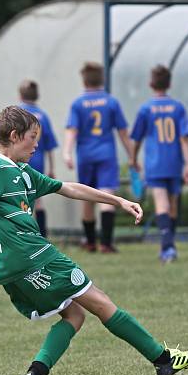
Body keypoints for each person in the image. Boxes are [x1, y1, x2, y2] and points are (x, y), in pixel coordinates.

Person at [0, 106, 188, 375]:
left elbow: (67, 188)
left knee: (74, 314)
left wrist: (117, 200)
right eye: (32, 138)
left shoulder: (20, 171)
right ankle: (163, 360)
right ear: (14, 136)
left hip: (10, 265)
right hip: (33, 255)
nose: (36, 145)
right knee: (100, 301)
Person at [63, 62, 135, 253]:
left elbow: (72, 130)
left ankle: (90, 241)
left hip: (85, 156)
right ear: (101, 79)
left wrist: (67, 152)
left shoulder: (78, 104)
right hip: (106, 155)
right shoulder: (111, 102)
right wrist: (132, 156)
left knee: (86, 197)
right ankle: (106, 243)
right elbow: (123, 132)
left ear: (84, 80)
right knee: (108, 195)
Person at [129, 64, 188, 263]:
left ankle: (167, 247)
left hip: (155, 164)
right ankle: (169, 245)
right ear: (169, 84)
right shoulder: (178, 107)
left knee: (161, 204)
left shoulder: (146, 109)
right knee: (172, 206)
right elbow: (184, 139)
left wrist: (133, 159)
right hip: (174, 163)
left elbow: (137, 138)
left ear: (151, 84)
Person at [18, 79, 58, 237]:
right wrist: (52, 168)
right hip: (38, 161)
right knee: (38, 199)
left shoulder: (17, 114)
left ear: (20, 95)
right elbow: (49, 145)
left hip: (19, 160)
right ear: (37, 96)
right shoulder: (43, 116)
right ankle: (42, 235)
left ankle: (23, 234)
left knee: (19, 197)